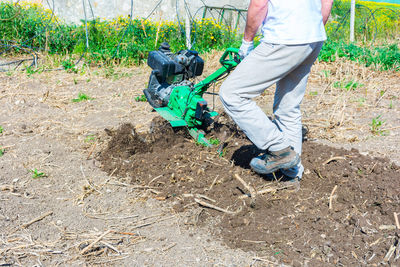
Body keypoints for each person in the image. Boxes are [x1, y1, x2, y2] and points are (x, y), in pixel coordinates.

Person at [219, 0, 333, 182]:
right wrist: (309, 30)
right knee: (289, 107)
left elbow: (259, 4)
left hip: (284, 37)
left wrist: (247, 42)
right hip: (313, 38)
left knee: (231, 94)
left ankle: (279, 149)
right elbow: (327, 2)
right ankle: (291, 175)